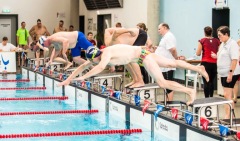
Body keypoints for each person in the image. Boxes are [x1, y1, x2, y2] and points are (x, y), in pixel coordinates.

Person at [58, 45, 209, 106]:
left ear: (97, 54)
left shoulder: (106, 54)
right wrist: (69, 79)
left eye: (95, 59)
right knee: (172, 64)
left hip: (144, 57)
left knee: (162, 83)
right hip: (143, 54)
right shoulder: (99, 55)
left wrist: (84, 78)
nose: (95, 61)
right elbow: (83, 66)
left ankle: (190, 91)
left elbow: (101, 66)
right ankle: (199, 68)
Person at [211, 26, 240, 119]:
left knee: (227, 95)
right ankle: (229, 115)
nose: (218, 37)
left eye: (220, 35)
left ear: (226, 34)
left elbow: (234, 60)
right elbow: (223, 56)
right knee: (226, 94)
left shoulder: (233, 44)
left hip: (231, 72)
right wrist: (216, 56)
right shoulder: (223, 44)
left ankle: (228, 116)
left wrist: (230, 74)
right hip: (223, 73)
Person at [155, 23, 179, 101]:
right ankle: (167, 101)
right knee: (165, 84)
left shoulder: (169, 36)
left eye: (159, 29)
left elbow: (173, 49)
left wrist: (176, 58)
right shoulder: (165, 37)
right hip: (164, 65)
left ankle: (169, 103)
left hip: (168, 65)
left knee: (168, 85)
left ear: (165, 28)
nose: (158, 31)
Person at [196, 26, 220, 98]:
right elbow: (218, 52)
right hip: (214, 63)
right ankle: (211, 97)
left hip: (205, 63)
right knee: (211, 81)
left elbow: (198, 53)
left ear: (204, 32)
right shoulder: (217, 41)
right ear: (211, 32)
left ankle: (206, 99)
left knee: (206, 81)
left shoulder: (202, 41)